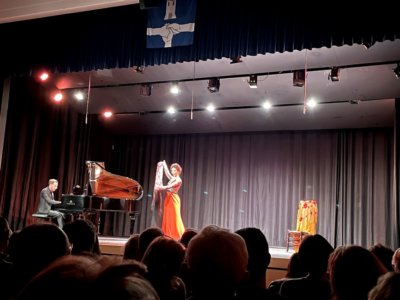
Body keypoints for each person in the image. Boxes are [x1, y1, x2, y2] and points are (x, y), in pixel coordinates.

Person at [158, 161, 185, 240]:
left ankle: (177, 235)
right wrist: (164, 164)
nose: (173, 172)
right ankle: (168, 234)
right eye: (172, 170)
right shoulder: (173, 178)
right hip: (169, 198)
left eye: (174, 170)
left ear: (178, 171)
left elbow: (170, 186)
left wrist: (161, 187)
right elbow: (167, 173)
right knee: (168, 216)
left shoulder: (178, 180)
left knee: (174, 217)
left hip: (173, 199)